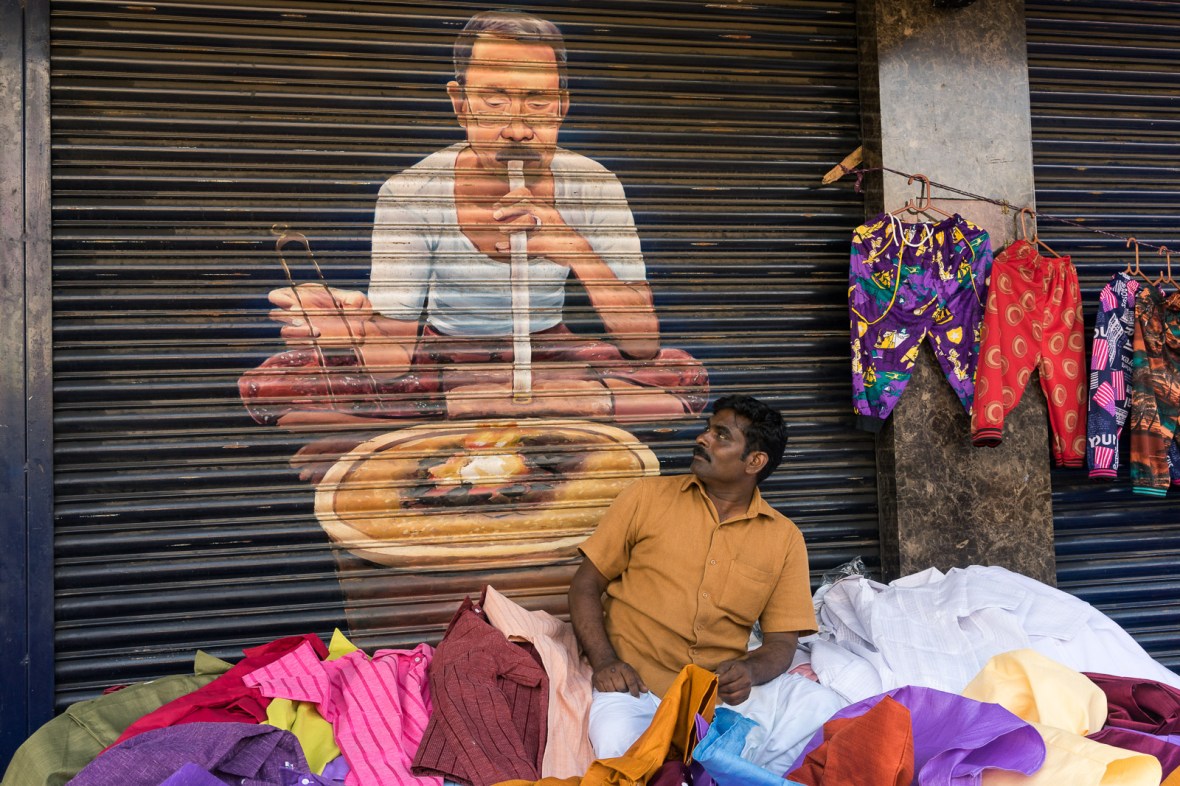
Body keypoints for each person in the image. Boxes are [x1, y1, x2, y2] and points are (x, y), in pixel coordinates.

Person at [246, 9, 706, 438]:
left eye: (538, 102)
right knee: (276, 380)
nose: (517, 129)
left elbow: (642, 343)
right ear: (461, 103)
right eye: (495, 101)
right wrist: (360, 331)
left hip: (551, 355)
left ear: (562, 106)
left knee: (683, 374)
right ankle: (539, 403)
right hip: (447, 357)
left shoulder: (593, 184)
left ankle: (468, 408)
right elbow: (393, 363)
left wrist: (573, 247)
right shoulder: (411, 192)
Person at [568, 394, 845, 770]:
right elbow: (585, 584)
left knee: (822, 708)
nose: (703, 438)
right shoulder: (646, 498)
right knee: (622, 748)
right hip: (636, 688)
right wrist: (605, 662)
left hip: (717, 698)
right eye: (707, 429)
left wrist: (749, 671)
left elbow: (781, 643)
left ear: (754, 461)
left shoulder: (784, 538)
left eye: (721, 435)